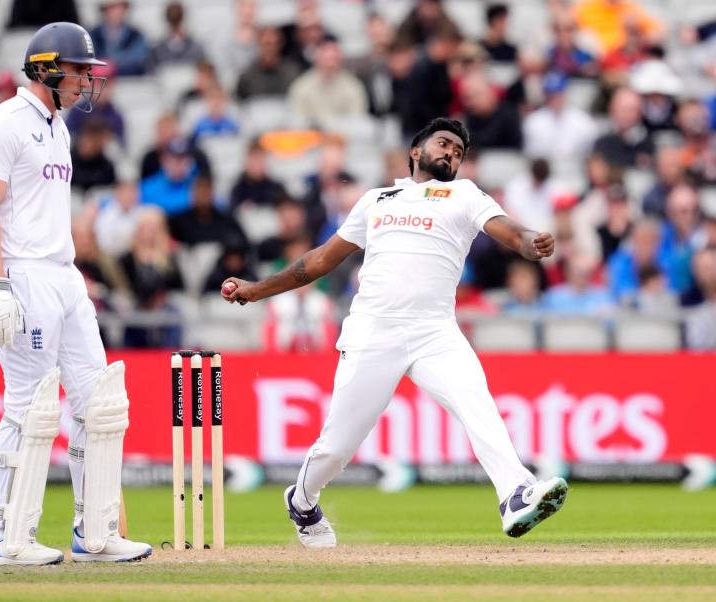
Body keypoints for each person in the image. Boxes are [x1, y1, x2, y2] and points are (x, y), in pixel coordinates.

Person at [221, 118, 568, 547]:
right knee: (336, 446)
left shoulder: (463, 193)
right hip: (373, 332)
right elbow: (318, 262)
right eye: (444, 144)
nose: (451, 154)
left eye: (458, 152)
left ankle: (515, 495)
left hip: (435, 332)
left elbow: (510, 231)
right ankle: (303, 500)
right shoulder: (376, 200)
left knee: (477, 404)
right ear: (416, 151)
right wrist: (255, 291)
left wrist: (531, 241)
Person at [0, 22, 150, 565]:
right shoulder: (4, 123)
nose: (85, 83)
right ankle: (11, 536)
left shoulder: (58, 128)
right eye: (78, 72)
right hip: (24, 275)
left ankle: (94, 533)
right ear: (47, 68)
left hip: (65, 274)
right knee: (29, 409)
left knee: (99, 404)